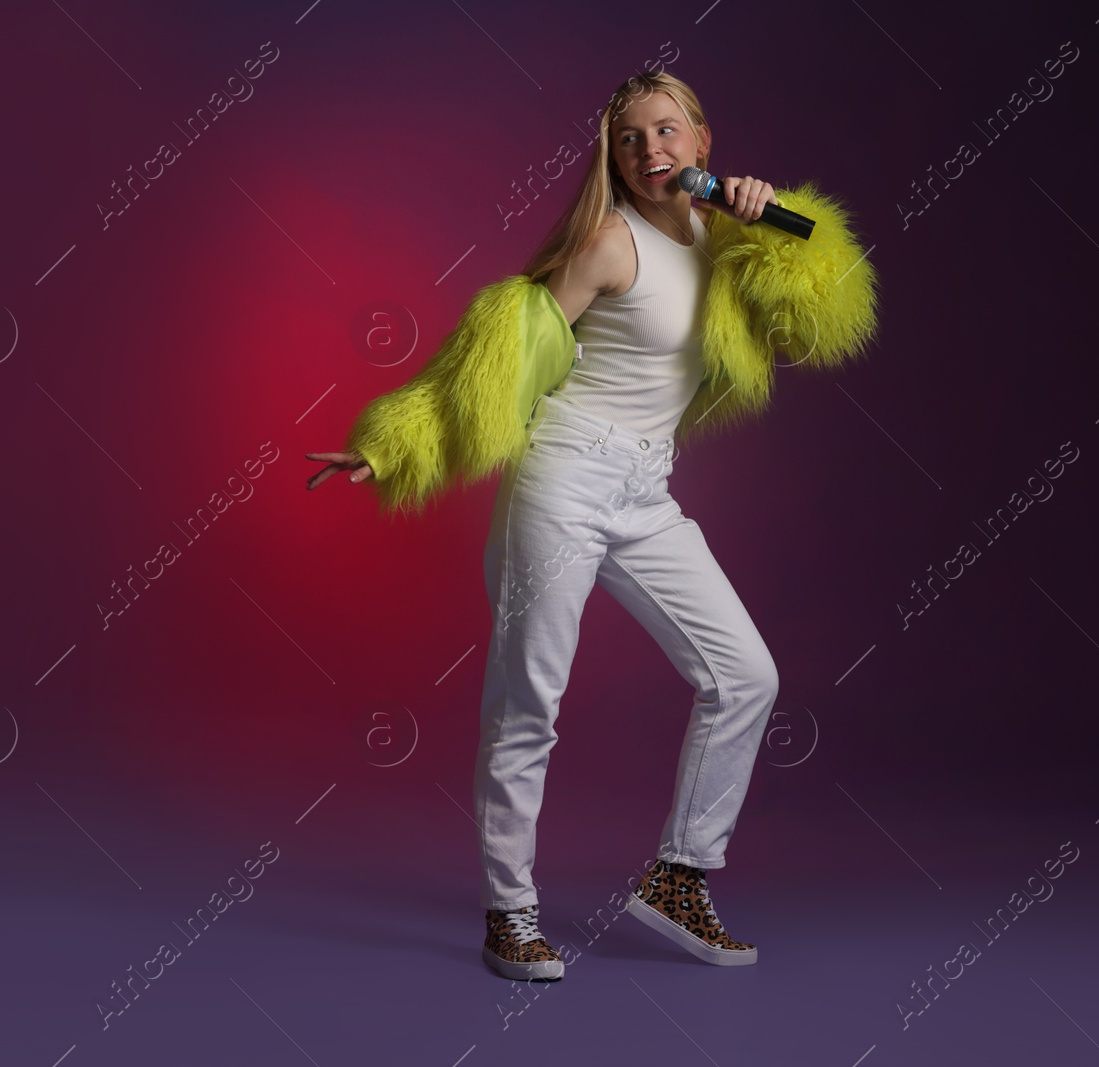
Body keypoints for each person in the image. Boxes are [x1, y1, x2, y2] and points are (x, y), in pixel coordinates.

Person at [307, 71, 880, 982]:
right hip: (564, 475)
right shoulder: (609, 246)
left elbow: (817, 329)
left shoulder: (729, 238)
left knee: (745, 675)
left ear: (700, 137)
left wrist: (777, 230)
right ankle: (511, 914)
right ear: (613, 159)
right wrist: (394, 445)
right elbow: (496, 358)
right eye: (629, 140)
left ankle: (680, 876)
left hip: (645, 490)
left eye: (665, 132)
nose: (649, 151)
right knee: (529, 699)